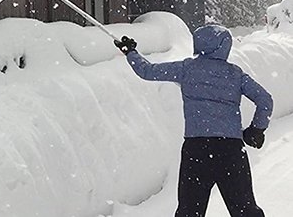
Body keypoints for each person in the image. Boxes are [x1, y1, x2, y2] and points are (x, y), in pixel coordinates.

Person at [114, 24, 273, 217]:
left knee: (190, 210)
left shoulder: (186, 68)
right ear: (224, 46)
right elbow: (265, 100)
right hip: (230, 151)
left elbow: (147, 71)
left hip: (197, 150)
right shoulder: (235, 74)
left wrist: (131, 52)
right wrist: (256, 129)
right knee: (245, 209)